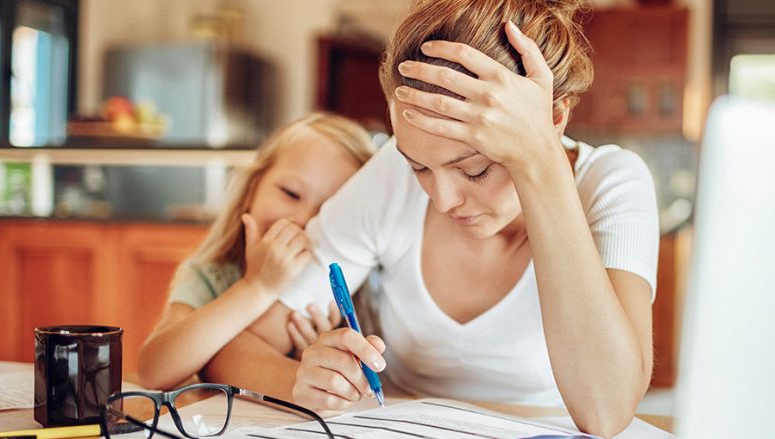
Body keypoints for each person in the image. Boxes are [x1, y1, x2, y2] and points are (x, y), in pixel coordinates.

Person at [203, 0, 659, 436]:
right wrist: (305, 379)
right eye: (419, 166)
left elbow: (606, 411)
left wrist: (541, 163)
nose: (442, 200)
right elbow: (236, 348)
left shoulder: (610, 184)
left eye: (475, 169)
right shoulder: (390, 178)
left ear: (554, 119)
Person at [138, 113, 376, 390]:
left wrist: (315, 358)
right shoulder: (212, 274)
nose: (303, 219)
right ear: (252, 188)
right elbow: (154, 371)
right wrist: (258, 286)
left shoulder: (358, 288)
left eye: (327, 211)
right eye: (290, 193)